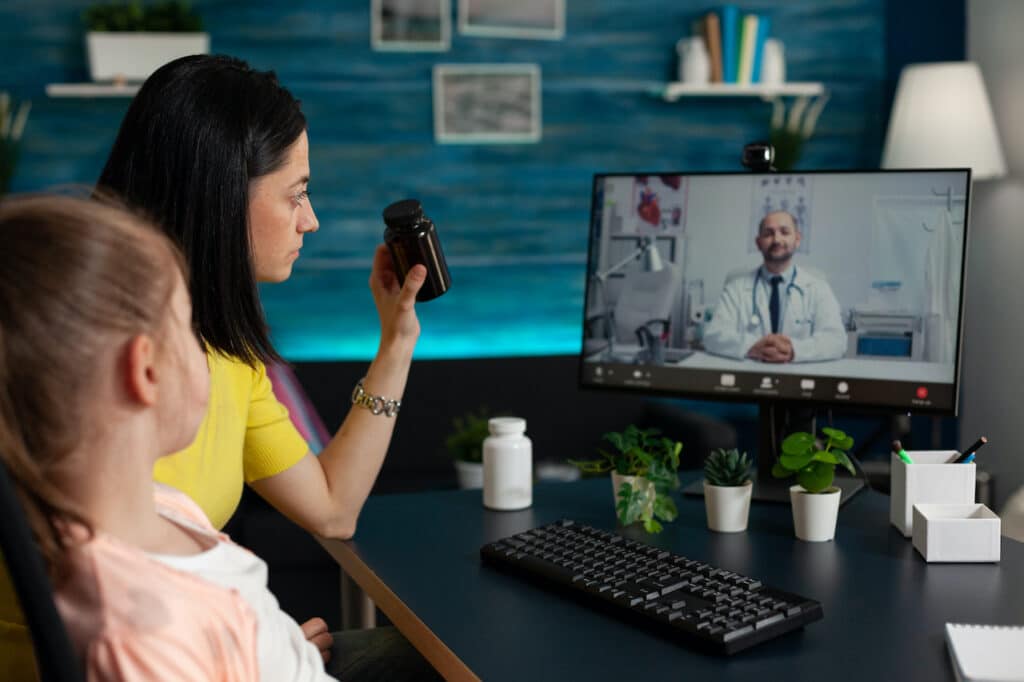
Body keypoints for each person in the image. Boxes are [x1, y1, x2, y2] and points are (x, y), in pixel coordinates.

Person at [0, 55, 438, 680]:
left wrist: (396, 342)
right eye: (298, 193)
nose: (309, 219)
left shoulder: (225, 350)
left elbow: (332, 508)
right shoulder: (70, 359)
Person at [0, 195, 337, 679]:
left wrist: (272, 647)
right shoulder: (137, 635)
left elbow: (222, 615)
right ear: (146, 369)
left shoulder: (168, 508)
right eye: (188, 328)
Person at [702, 209, 846, 363]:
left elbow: (836, 340)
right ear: (758, 243)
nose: (776, 239)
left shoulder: (818, 287)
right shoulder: (735, 288)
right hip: (748, 377)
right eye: (768, 234)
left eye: (784, 232)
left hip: (800, 378)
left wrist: (794, 350)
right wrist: (752, 346)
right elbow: (713, 335)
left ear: (797, 239)